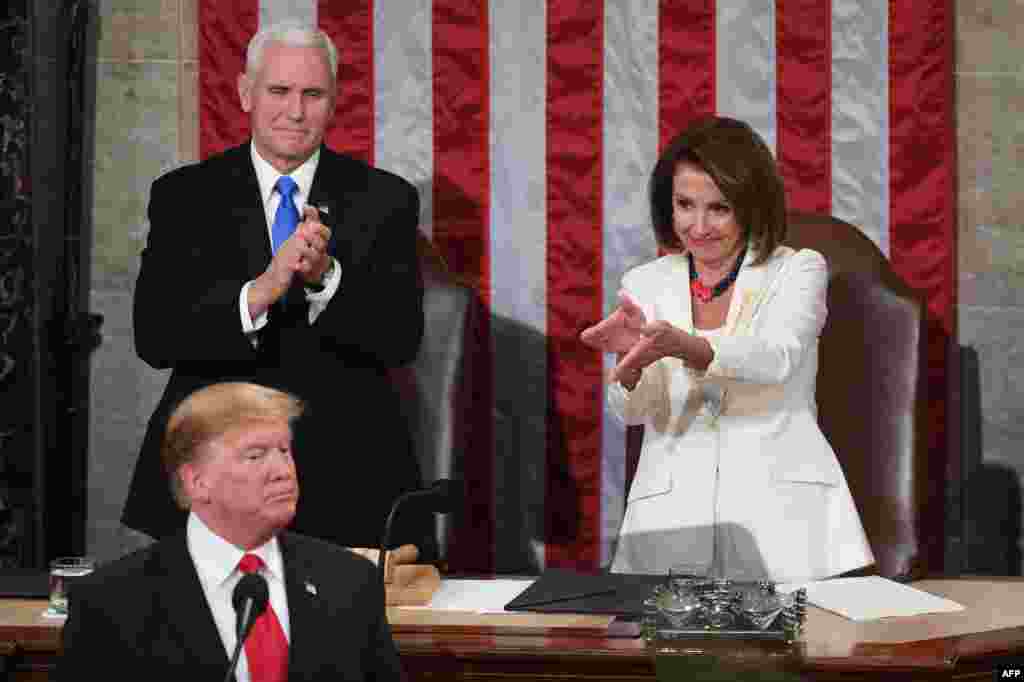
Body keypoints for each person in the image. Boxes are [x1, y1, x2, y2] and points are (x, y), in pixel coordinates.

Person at [122, 21, 435, 558]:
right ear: (245, 93)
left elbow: (401, 339)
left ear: (334, 101)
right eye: (279, 91)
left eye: (312, 94)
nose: (295, 110)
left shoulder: (386, 200)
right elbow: (155, 337)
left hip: (347, 471)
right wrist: (259, 292)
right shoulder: (184, 196)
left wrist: (326, 281)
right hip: (214, 469)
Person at [581, 116, 873, 582]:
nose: (698, 226)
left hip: (785, 523)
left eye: (719, 208)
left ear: (751, 205)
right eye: (684, 205)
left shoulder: (796, 270)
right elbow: (634, 413)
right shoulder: (644, 282)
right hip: (669, 524)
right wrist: (627, 364)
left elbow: (776, 357)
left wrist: (688, 346)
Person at [59, 382, 402, 679]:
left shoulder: (350, 582)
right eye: (256, 456)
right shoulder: (111, 604)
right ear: (197, 481)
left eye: (284, 451)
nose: (283, 470)